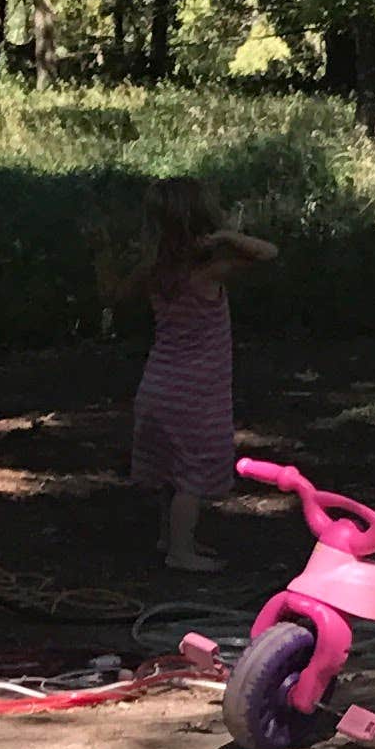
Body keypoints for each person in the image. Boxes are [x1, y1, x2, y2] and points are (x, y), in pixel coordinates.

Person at [108, 178, 278, 576]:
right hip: (195, 393)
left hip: (157, 386)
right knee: (191, 478)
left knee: (170, 470)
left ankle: (170, 537)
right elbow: (268, 253)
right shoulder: (209, 273)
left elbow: (117, 294)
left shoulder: (156, 272)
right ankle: (180, 552)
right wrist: (226, 235)